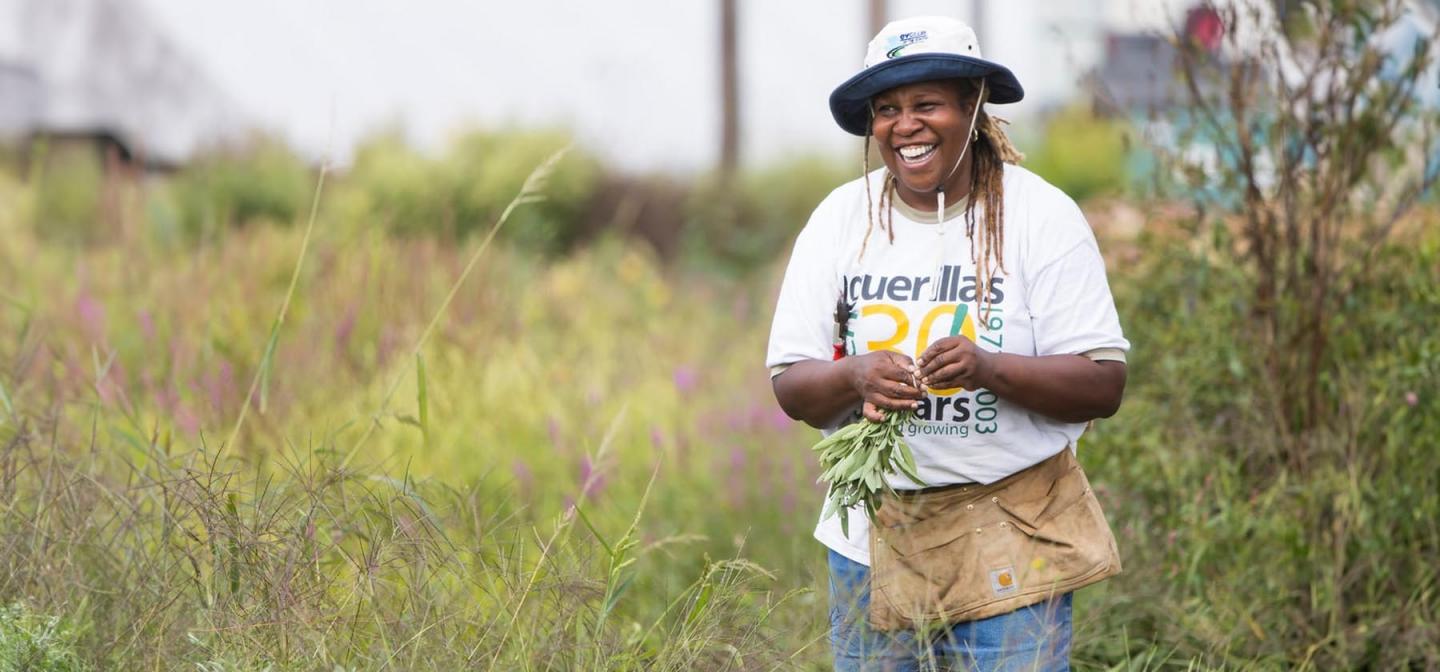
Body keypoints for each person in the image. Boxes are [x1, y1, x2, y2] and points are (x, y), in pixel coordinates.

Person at [766, 16, 1130, 672]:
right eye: (887, 109)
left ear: (972, 105)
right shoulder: (840, 220)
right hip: (872, 544)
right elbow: (792, 383)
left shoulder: (1039, 217)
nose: (905, 125)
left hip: (1015, 534)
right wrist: (855, 380)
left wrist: (989, 369)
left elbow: (1102, 383)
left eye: (927, 103)